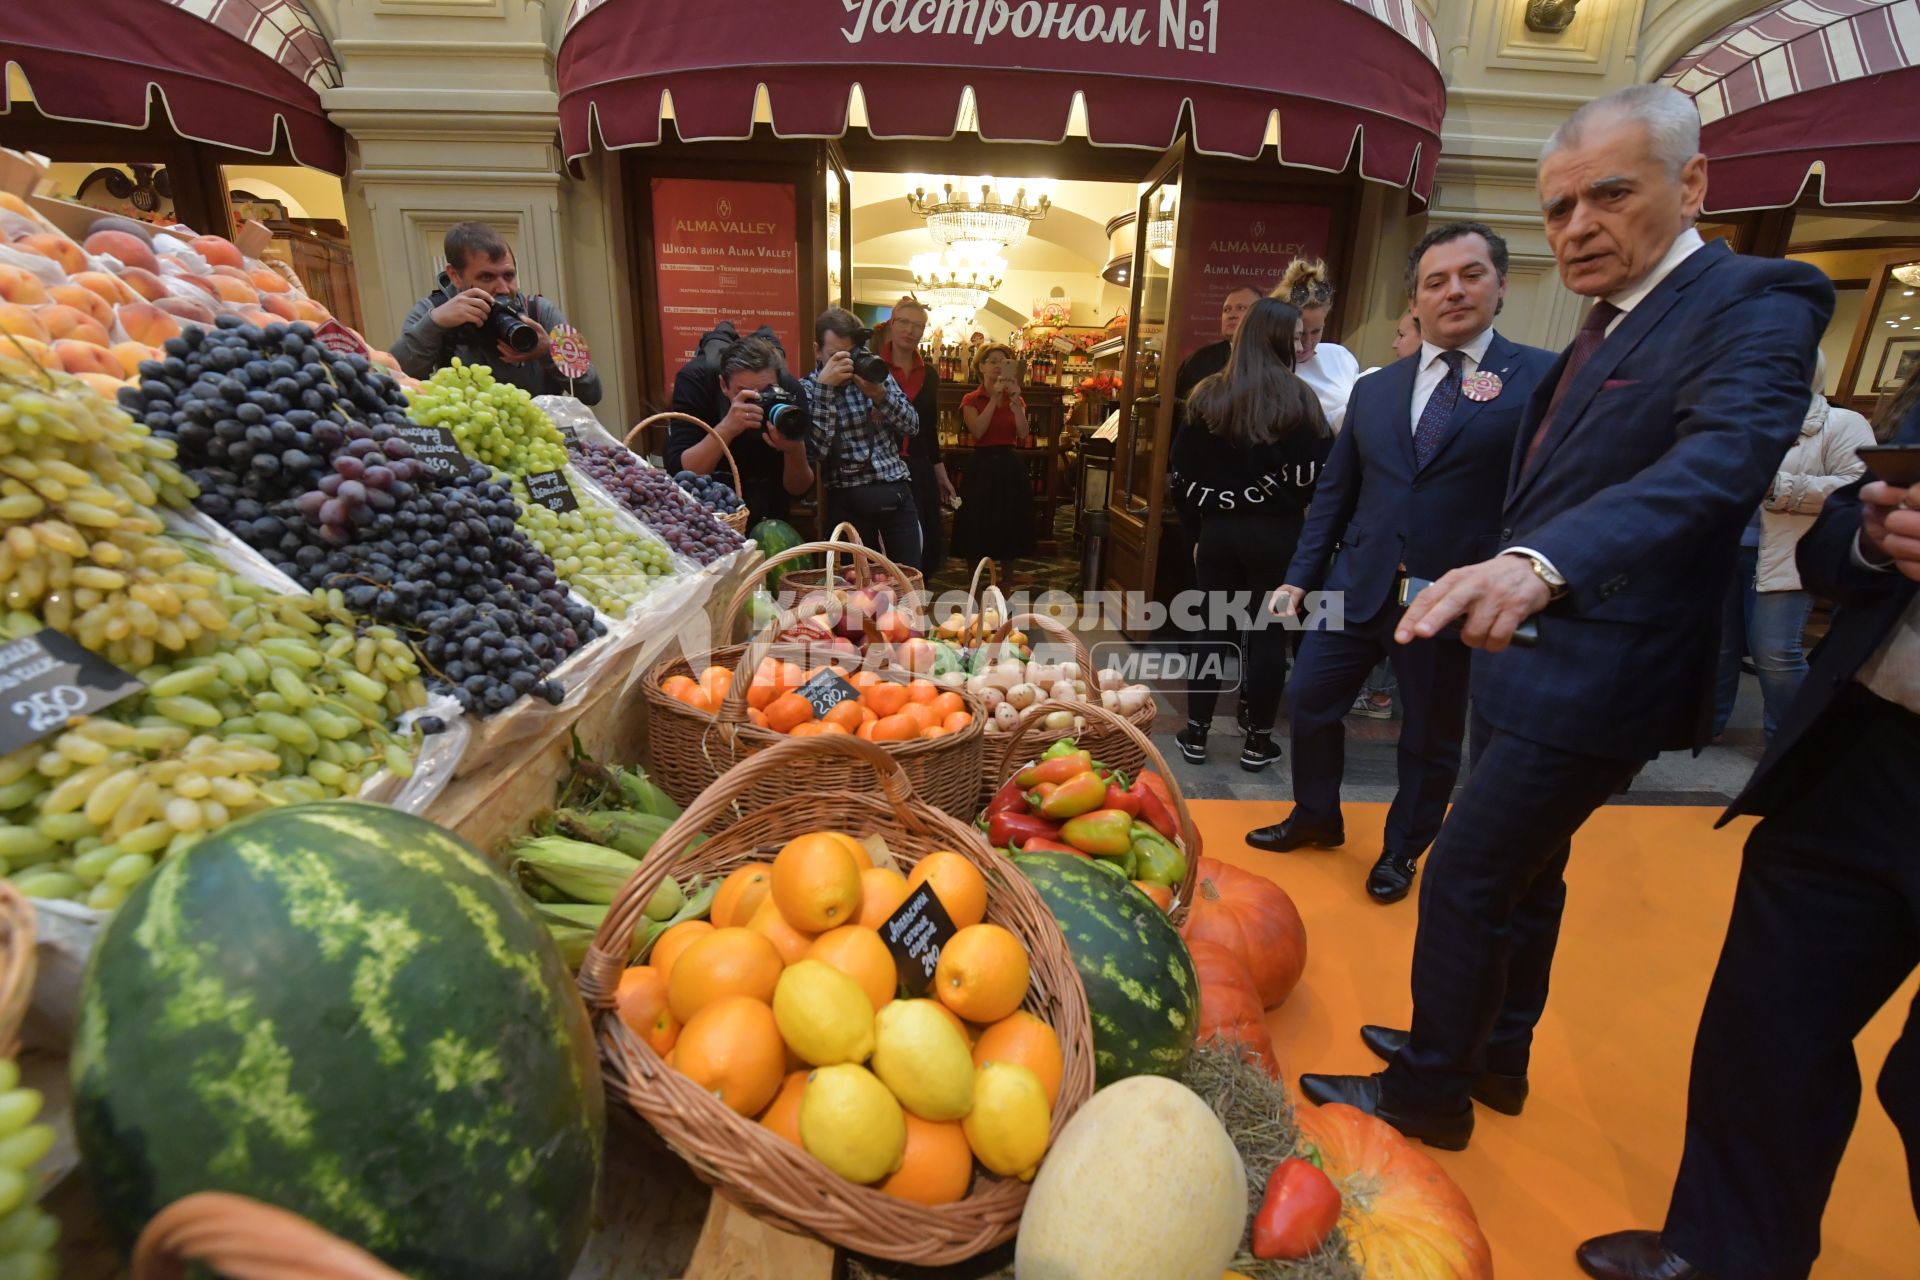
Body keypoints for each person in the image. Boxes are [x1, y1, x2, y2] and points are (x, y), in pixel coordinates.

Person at [1297, 84, 1834, 1150]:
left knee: (1464, 872)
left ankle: (1429, 1095)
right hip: (1524, 654)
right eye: (1557, 208)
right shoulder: (1609, 318)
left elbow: (1720, 462)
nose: (1577, 225)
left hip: (1602, 661)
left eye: (1609, 194)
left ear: (1691, 185)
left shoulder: (1759, 300)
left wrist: (1542, 564)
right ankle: (1493, 1054)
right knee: (1529, 876)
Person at [1575, 372, 1919, 1280]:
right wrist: (1878, 540)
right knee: (1767, 1027)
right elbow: (1837, 534)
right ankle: (1722, 1253)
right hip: (1864, 749)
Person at [1252, 223, 1556, 903]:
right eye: (1435, 280)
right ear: (1415, 299)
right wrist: (1300, 576)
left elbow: (1555, 488)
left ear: (1501, 286)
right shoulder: (1377, 388)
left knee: (1429, 732)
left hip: (1453, 593)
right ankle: (1316, 814)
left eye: (1471, 275)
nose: (1453, 291)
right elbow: (1336, 492)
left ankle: (1403, 848)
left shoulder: (1538, 379)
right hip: (1354, 583)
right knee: (1309, 700)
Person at [1169, 299, 1333, 770]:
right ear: (1280, 339)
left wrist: (1198, 529)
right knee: (1267, 635)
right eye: (1298, 337)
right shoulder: (1301, 399)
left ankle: (1196, 733)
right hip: (1279, 534)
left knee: (1211, 627)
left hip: (1220, 531)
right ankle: (1258, 741)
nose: (1304, 345)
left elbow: (1181, 475)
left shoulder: (1208, 395)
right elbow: (1322, 476)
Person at [1711, 351, 1875, 744]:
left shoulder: (1842, 423)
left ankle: (1792, 742)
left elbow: (1861, 488)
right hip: (1725, 550)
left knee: (1775, 656)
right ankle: (1705, 729)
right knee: (1718, 650)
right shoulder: (1739, 417)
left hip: (1793, 555)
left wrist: (1780, 487)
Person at [391, 222, 602, 404]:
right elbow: (395, 381)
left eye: (508, 275)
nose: (502, 288)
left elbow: (593, 391)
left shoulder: (541, 311)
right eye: (486, 277)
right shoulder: (431, 312)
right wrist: (435, 323)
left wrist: (548, 352)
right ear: (455, 275)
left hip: (536, 438)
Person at [1351, 308, 1428, 722]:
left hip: (1437, 565)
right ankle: (1377, 690)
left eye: (1401, 334)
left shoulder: (1525, 379)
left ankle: (1381, 694)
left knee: (1428, 710)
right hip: (1368, 560)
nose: (1395, 343)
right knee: (1312, 696)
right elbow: (1341, 483)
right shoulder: (1374, 388)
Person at [802, 308, 923, 566]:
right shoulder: (809, 389)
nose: (846, 363)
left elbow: (912, 426)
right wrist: (825, 391)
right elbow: (818, 452)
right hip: (849, 499)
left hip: (895, 492)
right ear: (817, 351)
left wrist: (880, 396)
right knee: (857, 592)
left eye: (852, 354)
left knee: (909, 582)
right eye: (836, 355)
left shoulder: (875, 375)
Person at [663, 333, 814, 530]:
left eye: (766, 392)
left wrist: (794, 449)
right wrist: (727, 428)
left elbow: (799, 489)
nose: (758, 401)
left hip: (769, 512)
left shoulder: (790, 392)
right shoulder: (696, 382)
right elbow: (681, 473)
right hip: (708, 514)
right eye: (746, 394)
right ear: (723, 385)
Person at [880, 298, 956, 574]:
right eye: (904, 322)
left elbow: (928, 428)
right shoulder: (875, 367)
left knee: (924, 542)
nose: (910, 330)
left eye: (918, 326)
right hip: (883, 468)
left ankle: (915, 600)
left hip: (918, 466)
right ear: (892, 323)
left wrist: (940, 473)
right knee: (888, 544)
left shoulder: (930, 374)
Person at [951, 344, 1037, 565]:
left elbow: (1022, 433)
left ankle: (1006, 589)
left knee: (1010, 526)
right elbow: (978, 431)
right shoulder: (971, 399)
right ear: (981, 366)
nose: (999, 367)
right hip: (981, 465)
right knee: (977, 527)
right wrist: (994, 400)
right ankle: (975, 588)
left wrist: (1016, 404)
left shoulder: (1017, 399)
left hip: (1010, 465)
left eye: (1005, 362)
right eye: (993, 361)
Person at [1275, 260, 1361, 432]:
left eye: (1316, 332)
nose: (1306, 343)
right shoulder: (1267, 366)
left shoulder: (1339, 357)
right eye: (1298, 334)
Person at [1175, 286, 1262, 401]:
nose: (1231, 315)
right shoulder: (1200, 360)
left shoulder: (1276, 357)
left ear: (1261, 315)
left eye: (1241, 308)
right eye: (1226, 310)